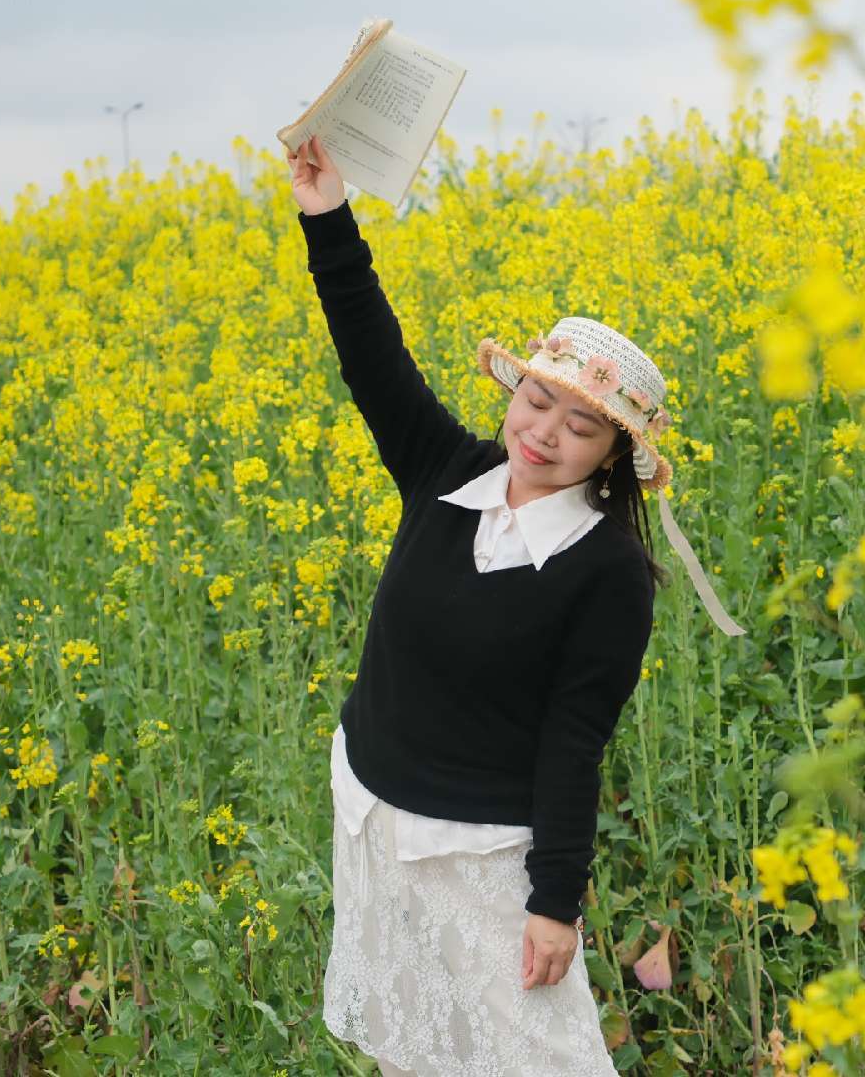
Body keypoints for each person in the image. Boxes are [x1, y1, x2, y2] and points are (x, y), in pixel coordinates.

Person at [286, 134, 744, 1077]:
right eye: (537, 402)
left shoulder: (607, 572)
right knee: (415, 1051)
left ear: (612, 457)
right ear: (515, 390)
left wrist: (554, 903)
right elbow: (370, 354)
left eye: (581, 427)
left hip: (479, 856)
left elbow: (574, 742)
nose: (544, 434)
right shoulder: (444, 471)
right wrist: (327, 212)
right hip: (371, 815)